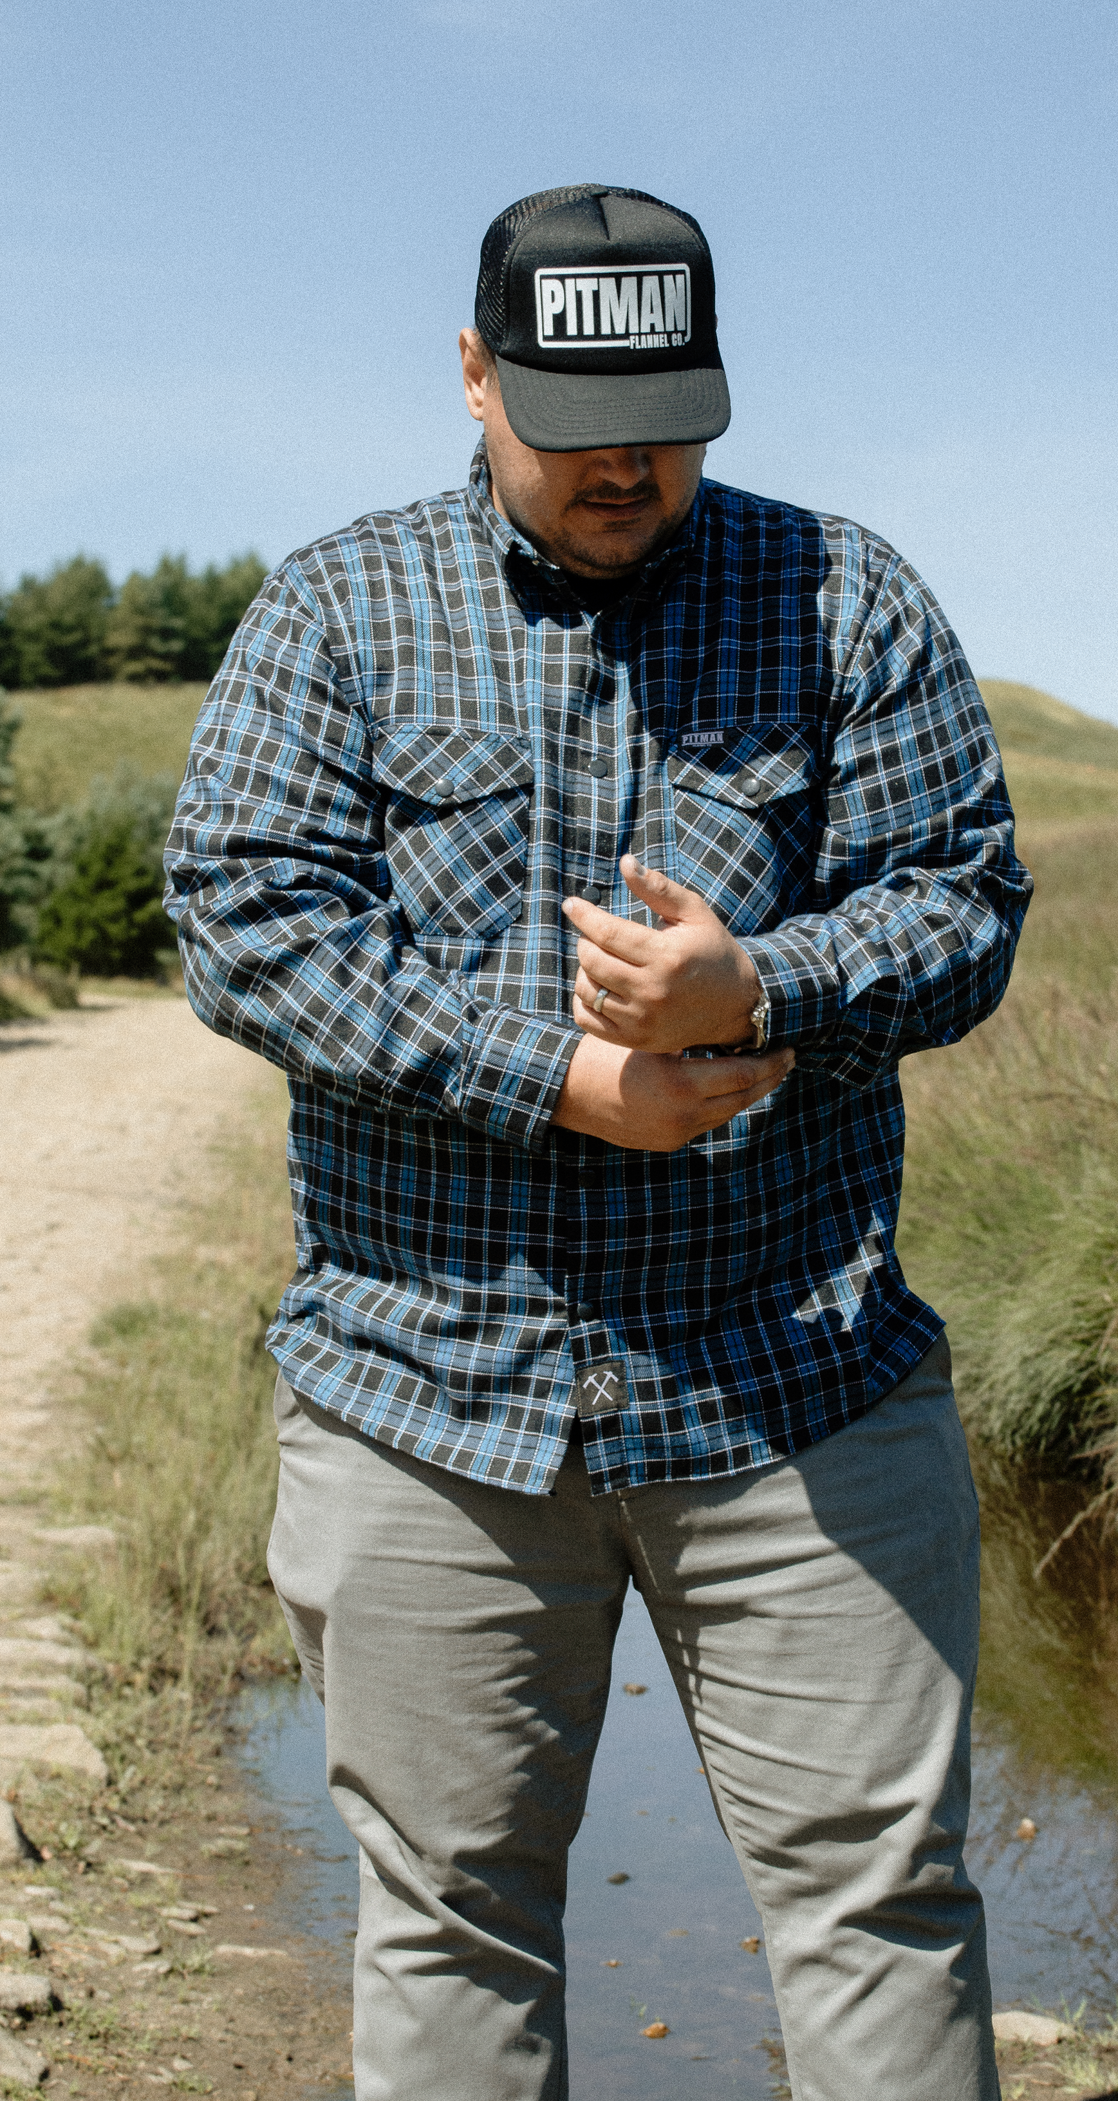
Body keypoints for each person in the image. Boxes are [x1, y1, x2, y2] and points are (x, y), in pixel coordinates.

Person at [166, 182, 1031, 2101]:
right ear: (475, 375)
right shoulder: (337, 610)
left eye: (666, 413)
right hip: (426, 1400)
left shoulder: (849, 598)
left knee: (880, 1907)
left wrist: (762, 990)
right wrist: (558, 1077)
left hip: (803, 1385)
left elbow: (967, 907)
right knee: (450, 1920)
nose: (625, 462)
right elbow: (241, 925)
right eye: (570, 419)